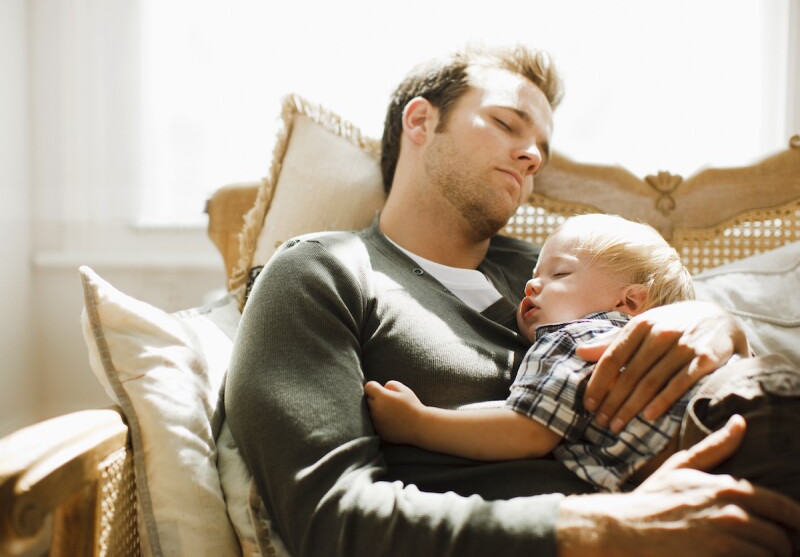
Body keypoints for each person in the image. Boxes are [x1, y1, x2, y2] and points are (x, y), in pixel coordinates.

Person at [225, 44, 800, 556]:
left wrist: (716, 320)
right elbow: (330, 519)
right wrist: (601, 528)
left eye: (541, 148)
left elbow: (692, 347)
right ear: (422, 120)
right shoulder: (324, 270)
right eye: (506, 123)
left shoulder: (559, 267)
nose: (531, 156)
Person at [365, 214, 799, 495]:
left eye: (560, 273)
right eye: (534, 276)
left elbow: (528, 431)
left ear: (629, 303)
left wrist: (420, 423)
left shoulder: (574, 337)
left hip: (725, 419)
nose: (532, 286)